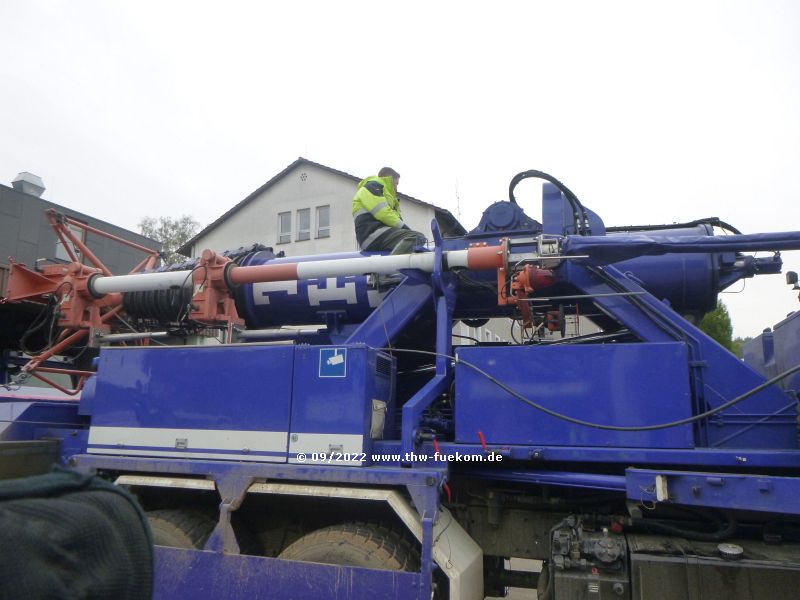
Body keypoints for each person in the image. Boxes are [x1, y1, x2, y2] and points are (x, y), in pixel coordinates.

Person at [352, 167, 427, 254]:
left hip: (378, 234)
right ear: (390, 179)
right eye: (396, 183)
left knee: (412, 242)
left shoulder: (387, 197)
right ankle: (392, 266)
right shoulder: (372, 187)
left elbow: (395, 218)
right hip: (372, 234)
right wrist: (407, 230)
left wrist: (406, 231)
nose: (396, 188)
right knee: (417, 238)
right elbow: (384, 213)